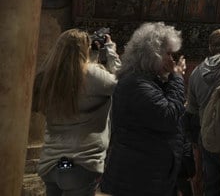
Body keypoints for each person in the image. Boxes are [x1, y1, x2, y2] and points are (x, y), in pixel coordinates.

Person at [100, 22, 187, 196]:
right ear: (151, 55)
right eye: (168, 54)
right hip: (138, 177)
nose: (172, 60)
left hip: (147, 173)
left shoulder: (145, 80)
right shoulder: (137, 84)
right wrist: (176, 78)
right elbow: (167, 116)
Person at [33, 29, 120, 196]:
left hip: (51, 163)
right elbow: (122, 83)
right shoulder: (93, 75)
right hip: (81, 163)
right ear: (83, 49)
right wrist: (110, 50)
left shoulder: (47, 77)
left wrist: (92, 58)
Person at [186, 28, 220, 196]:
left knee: (211, 184)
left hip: (206, 135)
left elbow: (191, 110)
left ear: (210, 47)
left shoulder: (196, 72)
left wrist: (195, 139)